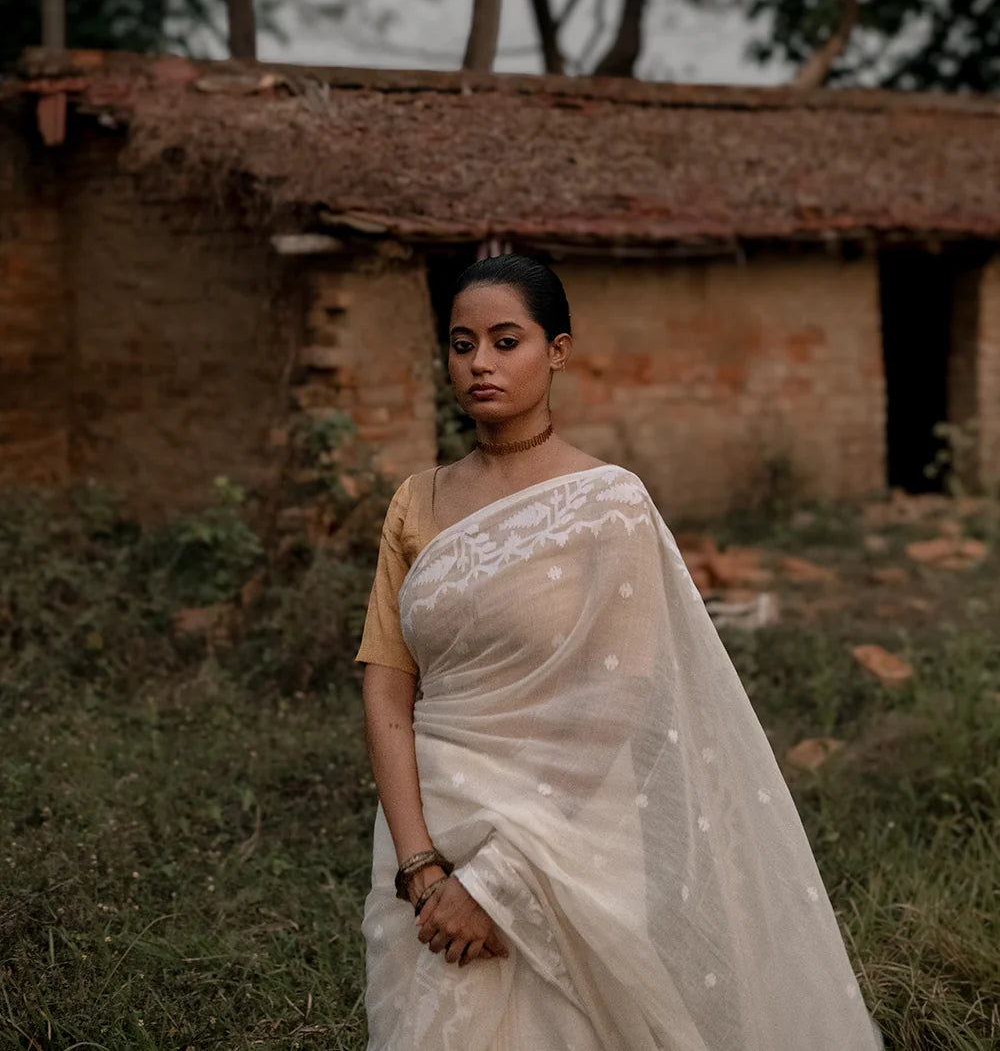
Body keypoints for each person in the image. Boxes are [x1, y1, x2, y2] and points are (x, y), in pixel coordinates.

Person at [355, 254, 885, 1051]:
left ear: (557, 350)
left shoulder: (607, 505)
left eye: (507, 341)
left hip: (565, 840)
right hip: (429, 826)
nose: (480, 364)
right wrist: (421, 867)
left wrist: (501, 879)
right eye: (462, 345)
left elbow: (621, 698)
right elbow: (388, 688)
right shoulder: (416, 503)